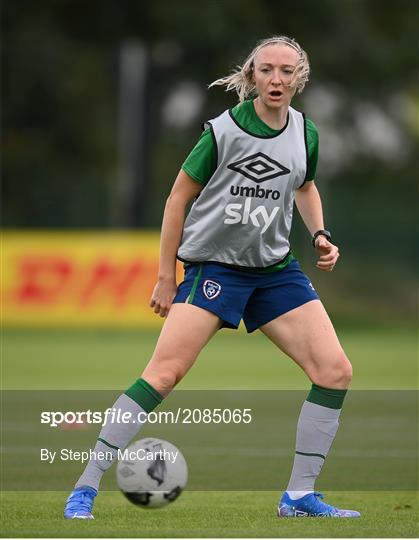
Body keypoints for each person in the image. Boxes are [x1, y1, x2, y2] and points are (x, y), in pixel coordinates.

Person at [64, 35, 360, 519]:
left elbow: (305, 185)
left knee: (335, 372)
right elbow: (177, 199)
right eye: (267, 70)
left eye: (287, 71)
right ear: (251, 76)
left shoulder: (306, 131)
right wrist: (166, 275)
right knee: (163, 375)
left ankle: (300, 496)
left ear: (299, 78)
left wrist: (321, 234)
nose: (277, 79)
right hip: (214, 268)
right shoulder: (223, 132)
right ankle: (85, 487)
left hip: (275, 271)